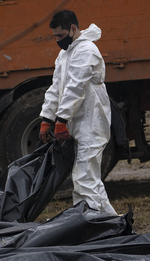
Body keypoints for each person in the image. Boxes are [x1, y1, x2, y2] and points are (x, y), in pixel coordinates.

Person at [38, 10, 117, 215]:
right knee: (89, 176)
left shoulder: (86, 51)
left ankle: (88, 224)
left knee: (84, 177)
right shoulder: (65, 54)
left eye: (61, 35)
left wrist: (61, 120)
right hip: (79, 122)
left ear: (73, 29)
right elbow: (57, 88)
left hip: (92, 122)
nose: (57, 40)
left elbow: (76, 87)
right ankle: (110, 221)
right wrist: (47, 118)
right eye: (55, 36)